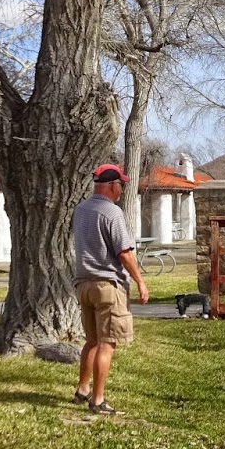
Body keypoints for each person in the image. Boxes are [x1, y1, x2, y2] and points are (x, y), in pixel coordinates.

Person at [71, 163, 149, 414]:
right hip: (107, 285)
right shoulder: (112, 212)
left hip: (83, 284)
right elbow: (123, 253)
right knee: (107, 342)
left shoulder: (81, 210)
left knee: (91, 341)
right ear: (112, 186)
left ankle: (82, 389)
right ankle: (98, 400)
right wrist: (140, 281)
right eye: (121, 186)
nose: (122, 190)